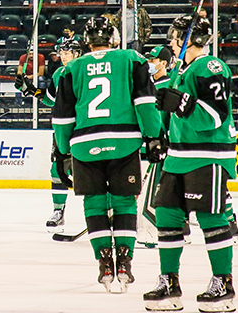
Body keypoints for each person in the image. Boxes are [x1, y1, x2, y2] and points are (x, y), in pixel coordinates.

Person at [52, 16, 163, 294]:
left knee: (94, 203)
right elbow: (145, 101)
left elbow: (62, 116)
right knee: (125, 202)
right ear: (113, 38)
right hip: (124, 142)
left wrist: (63, 151)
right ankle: (124, 261)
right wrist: (153, 135)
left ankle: (104, 262)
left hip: (84, 145)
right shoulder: (131, 58)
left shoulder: (72, 68)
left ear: (87, 42)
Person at [143, 16, 238, 312]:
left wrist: (183, 104)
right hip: (179, 155)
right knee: (167, 216)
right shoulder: (180, 70)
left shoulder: (210, 67)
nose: (172, 42)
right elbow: (172, 112)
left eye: (177, 37)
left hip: (207, 154)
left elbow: (214, 116)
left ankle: (223, 282)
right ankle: (169, 281)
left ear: (194, 39)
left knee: (210, 218)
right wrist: (159, 135)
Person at [16, 39, 83, 232]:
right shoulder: (58, 73)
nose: (63, 56)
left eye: (67, 52)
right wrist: (30, 89)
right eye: (61, 52)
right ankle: (58, 211)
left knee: (90, 170)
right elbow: (51, 100)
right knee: (57, 170)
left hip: (83, 127)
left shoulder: (85, 70)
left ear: (77, 54)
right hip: (63, 129)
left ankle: (102, 210)